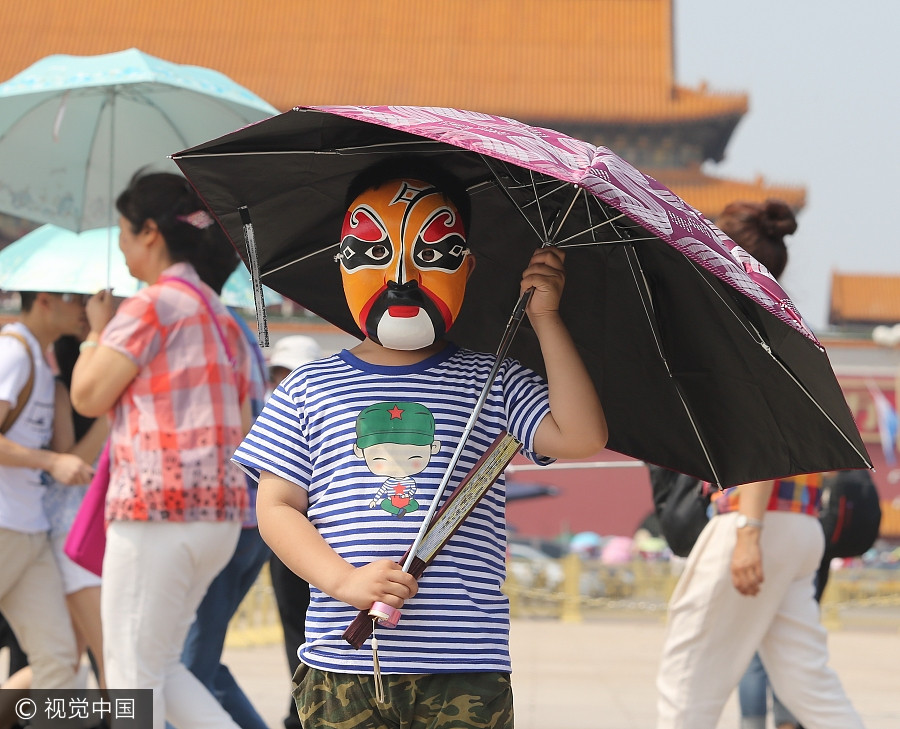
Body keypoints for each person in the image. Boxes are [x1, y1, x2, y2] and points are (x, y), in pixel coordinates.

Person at [237, 166, 608, 728]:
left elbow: (582, 435)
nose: (402, 278)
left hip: (465, 666)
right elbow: (277, 507)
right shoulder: (308, 387)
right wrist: (343, 581)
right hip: (344, 664)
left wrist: (546, 319)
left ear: (469, 266)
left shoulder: (495, 382)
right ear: (341, 259)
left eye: (436, 252)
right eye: (371, 251)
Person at [655, 200, 864, 729]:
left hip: (754, 518)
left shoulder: (740, 327)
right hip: (799, 523)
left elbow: (760, 433)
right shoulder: (791, 327)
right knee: (809, 686)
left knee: (686, 682)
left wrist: (748, 528)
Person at [70, 171, 252, 729]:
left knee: (131, 680)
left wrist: (96, 332)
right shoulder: (224, 318)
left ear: (150, 232)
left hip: (156, 508)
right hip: (218, 513)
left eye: (124, 234)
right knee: (162, 667)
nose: (122, 248)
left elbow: (86, 394)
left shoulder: (153, 305)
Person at [178, 246, 272, 729]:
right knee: (201, 660)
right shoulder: (237, 330)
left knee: (182, 667)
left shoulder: (200, 329)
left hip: (221, 516)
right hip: (252, 520)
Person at [0, 291, 96, 694]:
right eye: (73, 298)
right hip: (5, 526)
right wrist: (51, 462)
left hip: (29, 529)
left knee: (58, 661)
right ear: (43, 300)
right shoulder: (14, 352)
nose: (83, 308)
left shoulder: (37, 360)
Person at [265, 335, 322, 729]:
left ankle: (304, 712)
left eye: (293, 373)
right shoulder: (272, 412)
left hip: (325, 544)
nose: (284, 381)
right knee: (292, 629)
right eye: (279, 373)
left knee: (317, 629)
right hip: (286, 543)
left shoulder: (324, 406)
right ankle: (297, 710)